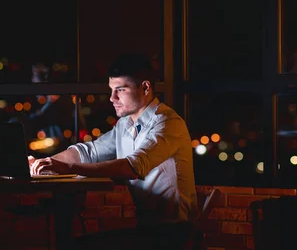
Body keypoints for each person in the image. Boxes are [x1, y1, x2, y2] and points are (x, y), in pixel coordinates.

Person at [28, 53, 197, 250]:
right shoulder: (125, 125)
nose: (112, 98)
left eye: (120, 90)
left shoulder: (168, 123)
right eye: (111, 90)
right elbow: (88, 152)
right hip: (147, 229)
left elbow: (133, 166)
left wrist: (67, 168)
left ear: (145, 87)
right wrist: (44, 162)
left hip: (173, 233)